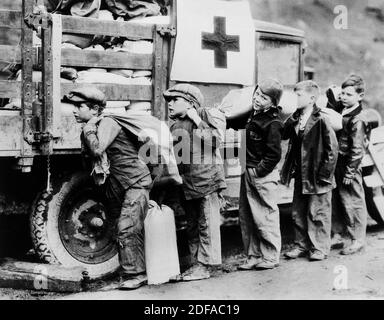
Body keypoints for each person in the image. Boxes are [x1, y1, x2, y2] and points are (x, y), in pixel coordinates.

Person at [66, 86, 152, 290]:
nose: (74, 110)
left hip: (134, 181)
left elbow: (97, 148)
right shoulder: (92, 125)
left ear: (94, 109)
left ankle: (136, 274)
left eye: (79, 106)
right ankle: (127, 271)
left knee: (127, 227)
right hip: (118, 184)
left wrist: (88, 129)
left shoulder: (107, 122)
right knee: (118, 228)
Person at [163, 83, 226, 281]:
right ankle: (196, 264)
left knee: (206, 224)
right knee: (191, 225)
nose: (170, 105)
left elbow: (215, 141)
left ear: (190, 103)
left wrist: (196, 118)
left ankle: (207, 265)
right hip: (187, 183)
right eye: (169, 101)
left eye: (175, 100)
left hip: (206, 180)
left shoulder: (203, 115)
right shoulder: (174, 125)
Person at [281, 80, 339, 261]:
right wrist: (292, 118)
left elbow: (332, 149)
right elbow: (283, 133)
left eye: (299, 95)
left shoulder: (321, 119)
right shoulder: (296, 118)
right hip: (301, 173)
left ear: (312, 98)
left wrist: (325, 174)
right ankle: (302, 244)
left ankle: (319, 247)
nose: (295, 98)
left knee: (318, 212)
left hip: (318, 174)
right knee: (298, 210)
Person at [237, 79, 283, 271]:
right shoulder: (253, 115)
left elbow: (274, 154)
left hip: (261, 174)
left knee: (265, 215)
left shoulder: (273, 122)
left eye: (263, 98)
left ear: (273, 103)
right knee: (247, 215)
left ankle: (271, 256)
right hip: (247, 171)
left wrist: (259, 171)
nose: (257, 99)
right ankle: (253, 255)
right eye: (257, 94)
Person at [330, 75, 371, 255]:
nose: (344, 97)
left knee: (353, 202)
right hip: (337, 163)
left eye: (348, 94)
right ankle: (338, 235)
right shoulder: (341, 110)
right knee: (337, 200)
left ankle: (357, 239)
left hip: (349, 166)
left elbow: (357, 149)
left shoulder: (358, 119)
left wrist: (349, 172)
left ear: (360, 96)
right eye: (342, 93)